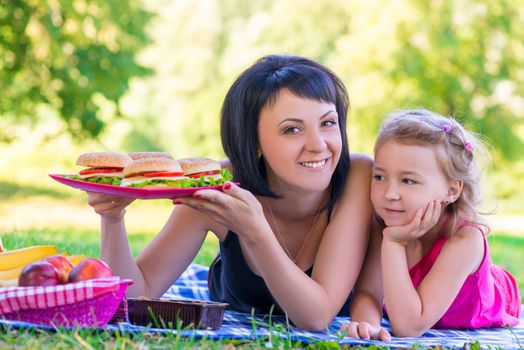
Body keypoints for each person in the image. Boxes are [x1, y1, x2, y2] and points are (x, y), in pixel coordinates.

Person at [86, 54, 374, 330]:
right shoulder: (217, 185)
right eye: (292, 130)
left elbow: (316, 317)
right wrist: (112, 219)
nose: (318, 144)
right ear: (254, 143)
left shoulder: (356, 175)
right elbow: (135, 296)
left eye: (327, 123)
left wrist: (254, 230)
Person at [341, 108, 521, 339]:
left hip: (494, 296)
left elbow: (408, 327)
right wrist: (367, 323)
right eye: (380, 177)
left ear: (452, 190)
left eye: (408, 180)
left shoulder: (465, 239)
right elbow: (369, 291)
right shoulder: (384, 224)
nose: (390, 193)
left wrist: (394, 244)